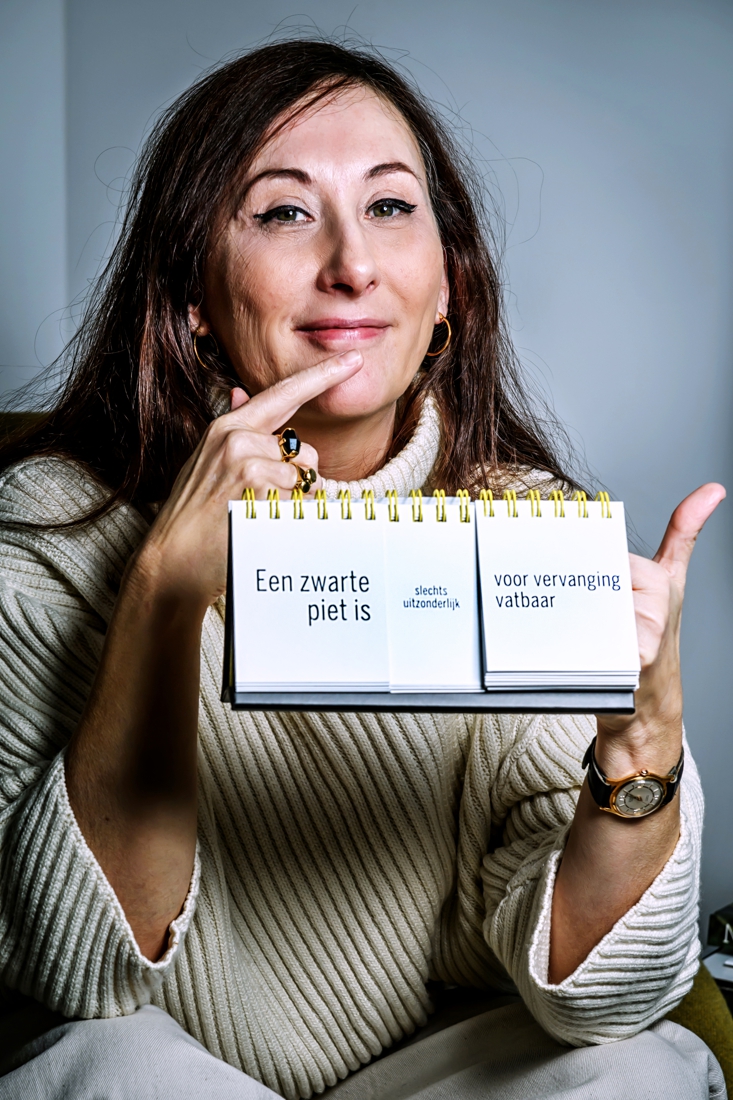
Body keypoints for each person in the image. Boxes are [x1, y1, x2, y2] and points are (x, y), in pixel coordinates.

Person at [0, 39, 726, 1100]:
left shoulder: (529, 531)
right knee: (110, 1063)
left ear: (450, 291)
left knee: (647, 1066)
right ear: (193, 293)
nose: (352, 262)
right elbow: (81, 970)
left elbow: (599, 1001)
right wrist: (162, 594)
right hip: (159, 1064)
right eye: (284, 211)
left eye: (391, 208)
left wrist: (641, 752)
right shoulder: (50, 529)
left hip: (427, 1068)